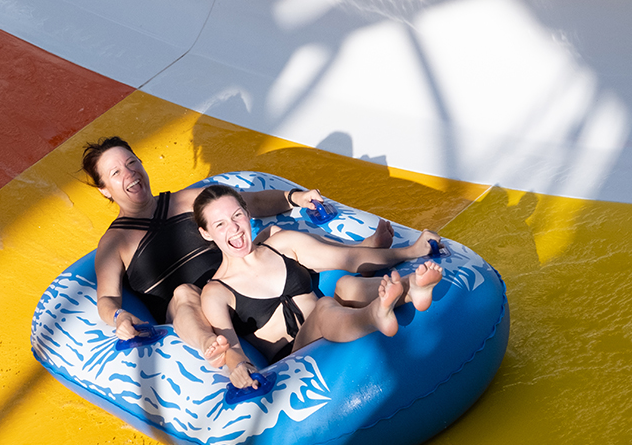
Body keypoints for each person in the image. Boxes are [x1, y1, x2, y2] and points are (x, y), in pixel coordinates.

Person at [83, 136, 387, 365]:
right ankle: (211, 345)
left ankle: (360, 251)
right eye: (115, 172)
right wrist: (119, 316)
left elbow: (251, 203)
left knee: (275, 236)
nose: (129, 173)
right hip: (195, 307)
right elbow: (107, 297)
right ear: (104, 189)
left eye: (131, 163)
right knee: (185, 292)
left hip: (235, 283)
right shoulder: (114, 242)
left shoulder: (188, 200)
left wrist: (295, 197)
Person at [194, 184, 443, 388]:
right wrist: (239, 368)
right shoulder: (216, 291)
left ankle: (412, 287)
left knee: (346, 285)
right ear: (206, 233)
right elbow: (231, 347)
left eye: (237, 215)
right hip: (295, 358)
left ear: (247, 214)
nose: (234, 228)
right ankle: (375, 314)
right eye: (220, 224)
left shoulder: (282, 244)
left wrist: (411, 252)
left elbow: (349, 258)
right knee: (324, 307)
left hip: (335, 320)